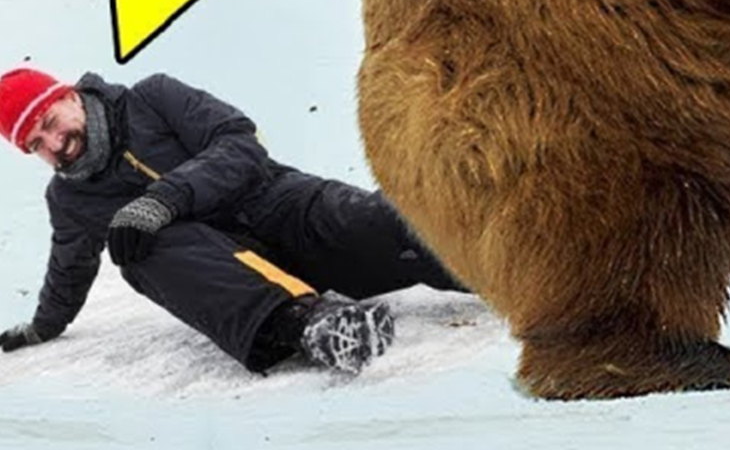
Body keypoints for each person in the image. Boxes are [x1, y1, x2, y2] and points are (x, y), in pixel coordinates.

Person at [0, 66, 465, 375]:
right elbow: (70, 266)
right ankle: (311, 327)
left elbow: (240, 143)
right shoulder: (69, 199)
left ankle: (511, 263)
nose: (54, 143)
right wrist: (44, 326)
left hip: (282, 207)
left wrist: (165, 197)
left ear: (69, 96)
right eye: (35, 143)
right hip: (233, 283)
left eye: (49, 120)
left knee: (391, 228)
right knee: (137, 250)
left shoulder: (153, 98)